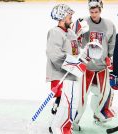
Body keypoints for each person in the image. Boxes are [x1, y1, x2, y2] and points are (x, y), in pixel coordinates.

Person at [73, 0, 117, 130]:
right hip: (87, 67)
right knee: (82, 97)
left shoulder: (109, 24)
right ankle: (75, 120)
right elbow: (77, 44)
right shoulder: (84, 23)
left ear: (101, 10)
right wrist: (77, 32)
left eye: (96, 12)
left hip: (102, 67)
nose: (93, 14)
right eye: (91, 12)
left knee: (103, 94)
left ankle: (98, 114)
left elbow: (112, 43)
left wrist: (109, 57)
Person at [46, 4, 88, 134]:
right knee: (65, 104)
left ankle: (62, 126)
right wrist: (73, 64)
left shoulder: (71, 33)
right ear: (62, 17)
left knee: (71, 105)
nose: (71, 18)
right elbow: (54, 54)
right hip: (60, 76)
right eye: (69, 16)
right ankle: (56, 128)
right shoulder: (55, 32)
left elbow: (75, 52)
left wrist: (85, 56)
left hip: (72, 76)